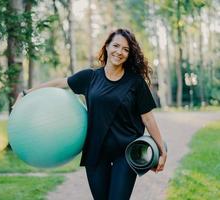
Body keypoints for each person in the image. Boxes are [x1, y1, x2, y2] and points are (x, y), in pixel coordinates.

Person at [14, 28, 167, 200]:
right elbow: (60, 83)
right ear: (107, 47)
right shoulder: (90, 77)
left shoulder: (135, 82)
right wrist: (27, 93)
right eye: (116, 46)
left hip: (125, 153)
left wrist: (161, 150)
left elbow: (147, 117)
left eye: (126, 49)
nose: (120, 52)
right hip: (96, 153)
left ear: (130, 54)